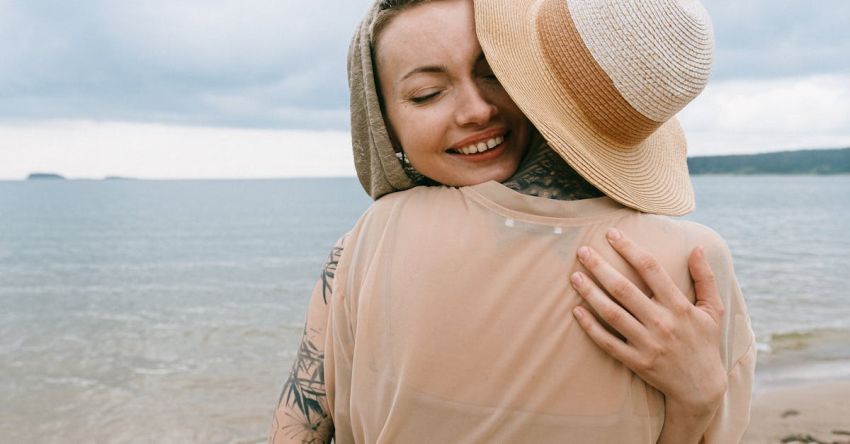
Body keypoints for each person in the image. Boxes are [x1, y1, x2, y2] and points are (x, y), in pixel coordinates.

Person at [269, 0, 755, 442]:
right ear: (383, 120)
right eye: (427, 93)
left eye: (494, 73)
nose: (477, 111)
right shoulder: (694, 258)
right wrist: (699, 402)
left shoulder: (367, 242)